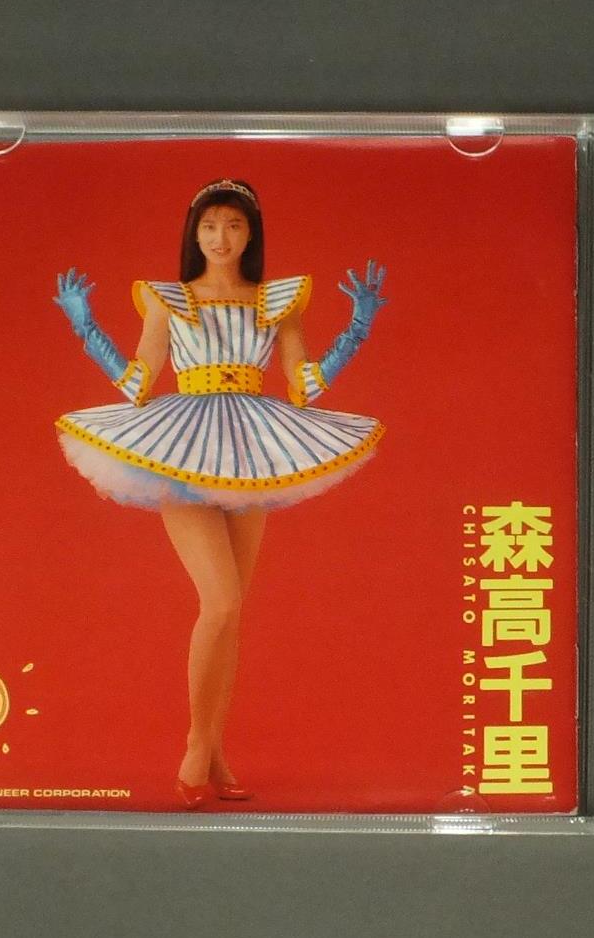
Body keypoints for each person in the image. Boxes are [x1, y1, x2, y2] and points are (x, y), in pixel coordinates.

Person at [49, 177, 387, 809]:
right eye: (209, 226)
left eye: (232, 225)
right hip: (181, 447)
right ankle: (195, 747)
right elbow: (138, 384)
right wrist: (85, 325)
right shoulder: (168, 298)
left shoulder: (275, 301)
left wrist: (358, 328)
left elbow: (305, 386)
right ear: (194, 234)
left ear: (250, 233)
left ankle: (214, 750)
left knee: (232, 616)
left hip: (251, 450)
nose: (220, 237)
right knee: (222, 601)